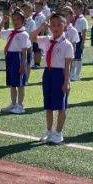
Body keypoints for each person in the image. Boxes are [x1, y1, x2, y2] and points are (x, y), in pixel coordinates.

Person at [34, 12, 74, 144]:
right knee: (49, 105)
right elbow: (31, 37)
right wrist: (42, 27)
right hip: (48, 73)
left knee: (61, 105)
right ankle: (49, 131)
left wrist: (67, 81)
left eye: (58, 25)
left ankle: (58, 132)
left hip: (60, 74)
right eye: (53, 25)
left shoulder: (67, 44)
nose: (55, 27)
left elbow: (68, 65)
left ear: (64, 26)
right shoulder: (46, 40)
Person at [0, 11, 32, 114]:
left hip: (18, 58)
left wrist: (23, 65)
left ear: (23, 21)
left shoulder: (24, 34)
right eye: (13, 20)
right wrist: (2, 22)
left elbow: (24, 52)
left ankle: (20, 105)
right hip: (10, 57)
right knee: (12, 84)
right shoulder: (10, 31)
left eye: (18, 19)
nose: (15, 22)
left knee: (20, 84)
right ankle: (13, 104)